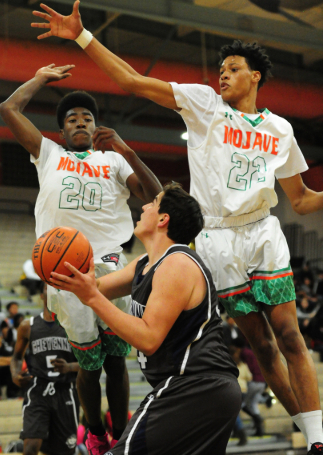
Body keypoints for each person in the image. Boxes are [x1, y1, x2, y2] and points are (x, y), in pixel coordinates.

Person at [31, 2, 323, 454]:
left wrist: (85, 290)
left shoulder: (281, 129)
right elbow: (130, 81)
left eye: (233, 69)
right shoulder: (205, 104)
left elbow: (301, 201)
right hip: (217, 235)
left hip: (262, 228)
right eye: (221, 69)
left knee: (290, 336)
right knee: (263, 347)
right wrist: (83, 36)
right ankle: (308, 434)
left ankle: (319, 438)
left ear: (256, 77)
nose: (222, 75)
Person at [0, 64, 162, 455]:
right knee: (89, 363)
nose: (80, 122)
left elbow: (156, 196)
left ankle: (119, 435)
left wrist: (127, 150)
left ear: (96, 127)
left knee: (117, 360)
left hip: (111, 264)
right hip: (66, 270)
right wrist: (37, 78)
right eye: (72, 119)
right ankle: (94, 430)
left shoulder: (114, 161)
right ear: (61, 132)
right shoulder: (48, 152)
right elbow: (8, 110)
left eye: (87, 118)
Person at [50, 182, 242, 455]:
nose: (143, 206)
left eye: (152, 203)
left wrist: (91, 297)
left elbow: (148, 338)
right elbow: (96, 288)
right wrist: (66, 274)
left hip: (195, 386)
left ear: (164, 219)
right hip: (203, 390)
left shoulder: (177, 263)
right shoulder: (144, 263)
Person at [11, 286, 80, 455]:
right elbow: (16, 357)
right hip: (38, 390)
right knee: (30, 448)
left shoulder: (73, 326)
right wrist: (15, 375)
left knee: (64, 451)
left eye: (57, 291)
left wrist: (69, 367)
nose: (52, 294)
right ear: (42, 295)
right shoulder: (28, 326)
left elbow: (90, 362)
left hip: (65, 391)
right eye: (48, 291)